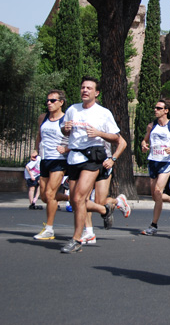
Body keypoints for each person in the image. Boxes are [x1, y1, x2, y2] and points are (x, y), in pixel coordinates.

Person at [60, 76, 120, 253]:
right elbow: (64, 130)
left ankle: (76, 239)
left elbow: (116, 137)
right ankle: (104, 210)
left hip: (93, 157)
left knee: (79, 198)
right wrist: (66, 129)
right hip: (74, 158)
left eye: (89, 88)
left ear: (96, 93)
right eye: (83, 87)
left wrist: (99, 133)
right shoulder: (72, 110)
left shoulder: (103, 113)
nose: (85, 90)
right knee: (74, 199)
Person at [140, 99, 170, 236]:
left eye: (159, 108)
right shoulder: (151, 126)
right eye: (155, 107)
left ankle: (153, 226)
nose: (155, 110)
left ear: (166, 111)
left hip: (166, 162)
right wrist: (143, 145)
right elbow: (145, 140)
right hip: (153, 161)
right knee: (155, 195)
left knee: (158, 191)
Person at [33, 90, 70, 239]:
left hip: (59, 160)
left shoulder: (66, 120)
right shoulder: (43, 118)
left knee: (50, 194)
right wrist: (35, 150)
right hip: (45, 159)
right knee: (44, 197)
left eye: (53, 100)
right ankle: (73, 198)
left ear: (61, 102)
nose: (49, 103)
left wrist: (66, 149)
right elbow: (39, 136)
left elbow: (75, 139)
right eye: (48, 100)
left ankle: (49, 229)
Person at [80, 134, 130, 245]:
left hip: (103, 164)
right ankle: (89, 232)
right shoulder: (80, 122)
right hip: (85, 164)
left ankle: (117, 201)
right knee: (84, 199)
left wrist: (113, 159)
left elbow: (123, 143)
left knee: (99, 203)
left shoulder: (104, 121)